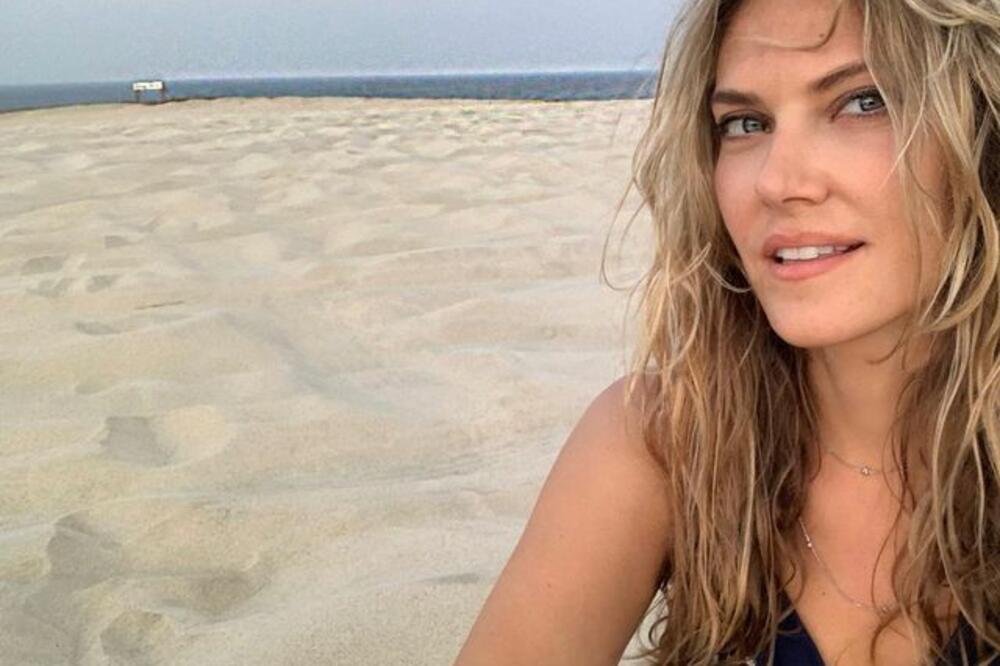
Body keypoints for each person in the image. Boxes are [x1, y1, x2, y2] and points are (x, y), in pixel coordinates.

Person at [453, 0, 1000, 663]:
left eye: (863, 102)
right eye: (745, 123)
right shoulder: (666, 442)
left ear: (981, 132)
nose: (777, 181)